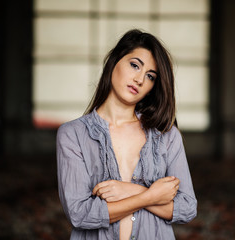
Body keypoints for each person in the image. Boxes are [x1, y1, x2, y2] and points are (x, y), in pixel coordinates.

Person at [56, 29, 197, 240]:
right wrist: (150, 196)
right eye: (134, 65)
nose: (140, 79)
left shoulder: (166, 135)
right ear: (114, 62)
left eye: (150, 76)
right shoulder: (73, 134)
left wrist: (129, 190)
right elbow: (80, 214)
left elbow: (186, 208)